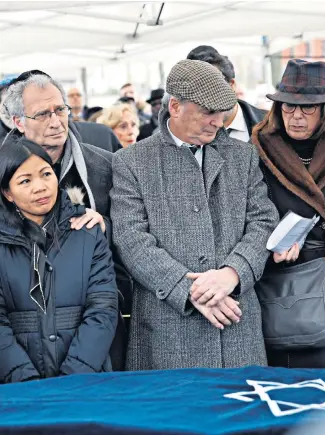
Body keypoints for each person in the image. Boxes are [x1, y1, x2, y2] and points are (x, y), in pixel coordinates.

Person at [110, 59, 278, 371]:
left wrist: (233, 273)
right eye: (208, 112)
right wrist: (188, 291)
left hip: (236, 325)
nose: (218, 122)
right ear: (175, 106)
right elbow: (131, 240)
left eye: (222, 112)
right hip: (167, 331)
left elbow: (264, 222)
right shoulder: (131, 162)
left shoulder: (243, 155)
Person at [251, 59, 325, 368]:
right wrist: (268, 249)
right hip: (282, 293)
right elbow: (243, 219)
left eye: (307, 108)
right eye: (287, 107)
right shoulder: (256, 152)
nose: (296, 116)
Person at [0, 137, 118, 383]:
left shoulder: (87, 231)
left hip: (86, 380)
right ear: (8, 193)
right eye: (25, 181)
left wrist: (75, 376)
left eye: (46, 174)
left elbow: (103, 308)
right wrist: (24, 381)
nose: (40, 187)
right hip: (17, 387)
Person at [2, 70, 113, 231]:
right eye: (42, 114)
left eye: (60, 110)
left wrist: (103, 226)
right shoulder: (3, 170)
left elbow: (127, 230)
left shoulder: (105, 165)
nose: (55, 122)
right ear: (19, 122)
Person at [187, 45, 266, 140]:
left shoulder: (269, 125)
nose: (205, 95)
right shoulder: (182, 131)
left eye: (213, 86)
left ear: (232, 85)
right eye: (197, 88)